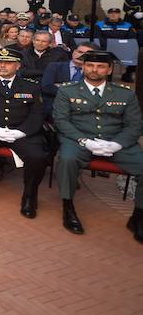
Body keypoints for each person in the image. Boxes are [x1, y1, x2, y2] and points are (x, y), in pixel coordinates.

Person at [52, 50, 142, 241]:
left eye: (101, 66)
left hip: (115, 140)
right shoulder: (67, 90)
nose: (94, 70)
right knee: (66, 159)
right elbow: (61, 120)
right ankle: (68, 208)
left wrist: (117, 144)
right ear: (83, 67)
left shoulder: (125, 94)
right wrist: (84, 141)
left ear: (109, 70)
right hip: (79, 139)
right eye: (90, 65)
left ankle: (138, 216)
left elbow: (135, 125)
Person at [0, 46, 49, 216]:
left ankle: (29, 196)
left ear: (18, 66)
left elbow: (37, 114)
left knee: (38, 156)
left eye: (8, 63)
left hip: (20, 132)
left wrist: (21, 132)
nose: (2, 66)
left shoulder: (30, 86)